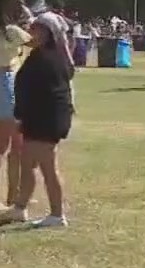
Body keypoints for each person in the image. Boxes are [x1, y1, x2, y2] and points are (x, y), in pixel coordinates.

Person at [1, 12, 75, 228]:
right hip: (36, 119)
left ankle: (57, 215)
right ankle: (19, 208)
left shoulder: (50, 57)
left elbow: (50, 95)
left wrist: (24, 116)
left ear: (50, 32)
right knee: (27, 163)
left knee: (48, 167)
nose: (32, 32)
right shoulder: (42, 54)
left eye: (38, 29)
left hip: (46, 120)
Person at [0, 0, 31, 208]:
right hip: (8, 84)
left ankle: (13, 196)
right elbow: (39, 42)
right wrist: (28, 19)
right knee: (15, 146)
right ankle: (13, 196)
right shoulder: (12, 32)